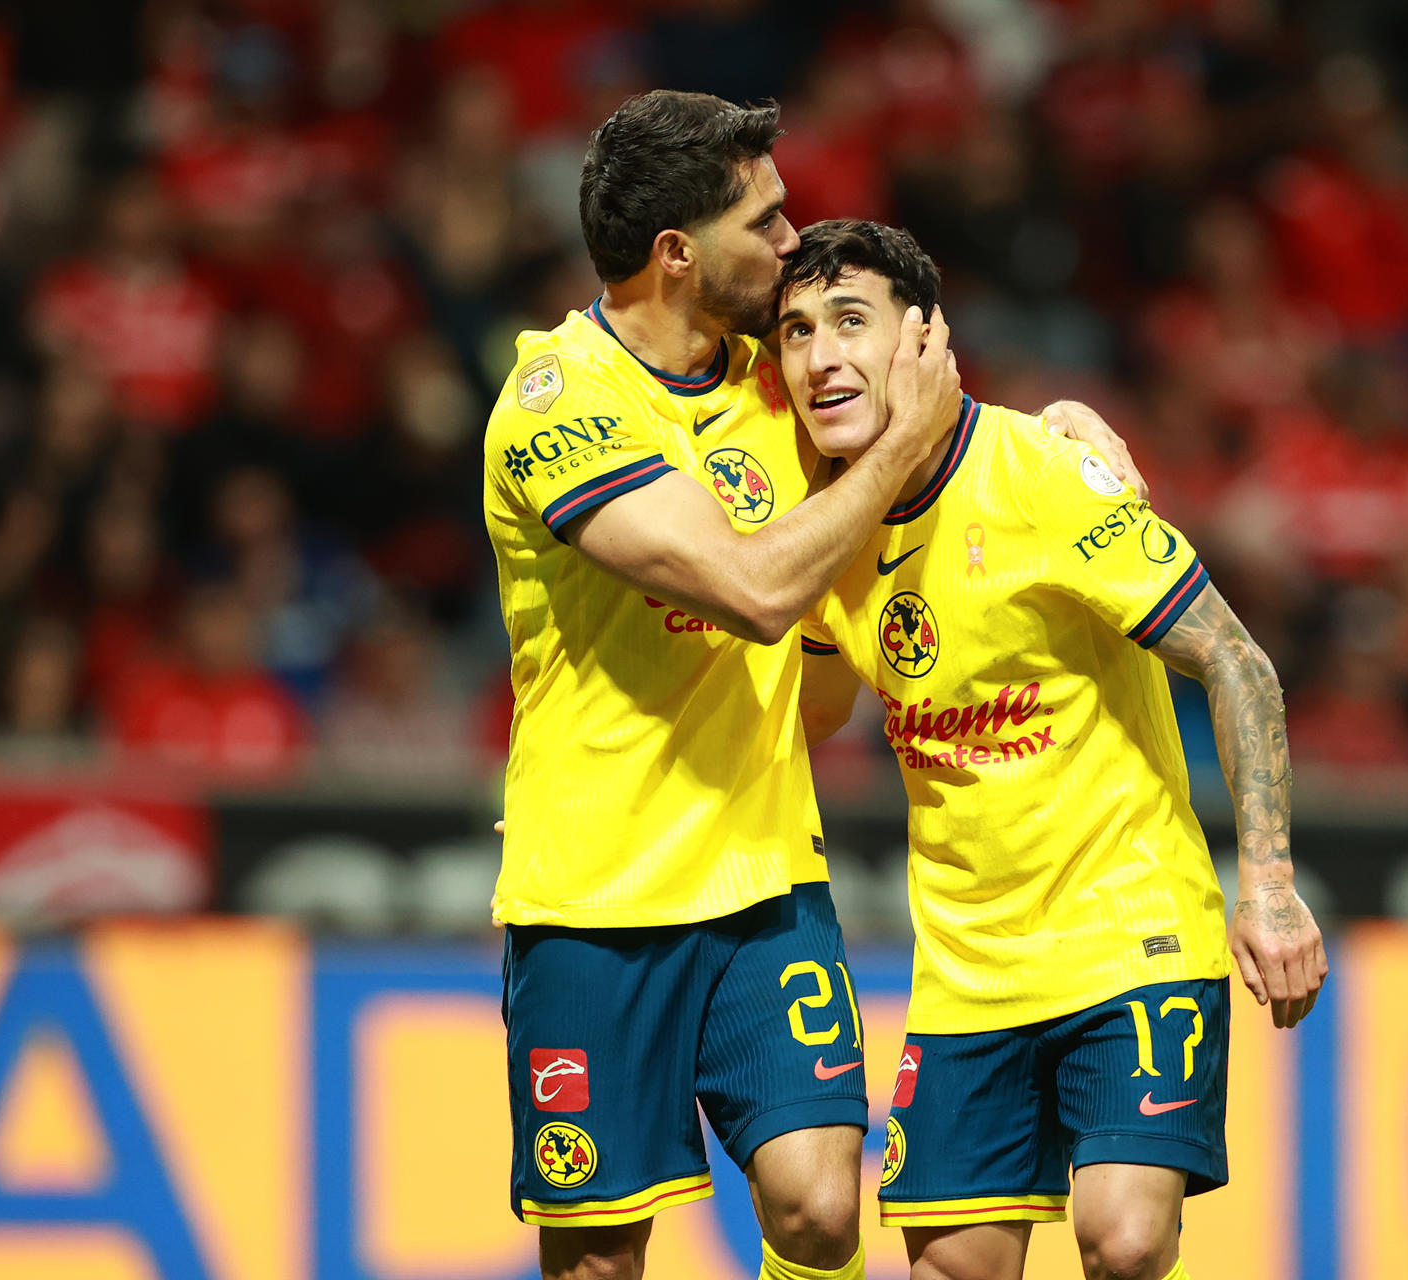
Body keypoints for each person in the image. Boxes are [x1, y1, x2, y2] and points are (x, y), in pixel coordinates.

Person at [482, 92, 1138, 1280]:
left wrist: (1058, 434)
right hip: (594, 899)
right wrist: (893, 456)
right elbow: (751, 588)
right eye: (765, 221)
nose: (792, 243)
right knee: (599, 1259)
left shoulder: (774, 382)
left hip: (765, 876)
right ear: (677, 253)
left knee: (823, 1204)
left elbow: (933, 431)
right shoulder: (557, 406)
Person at [778, 220, 1327, 1280]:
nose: (820, 356)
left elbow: (1237, 661)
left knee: (1124, 1238)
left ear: (924, 338)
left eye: (850, 320)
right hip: (965, 969)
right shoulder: (826, 529)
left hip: (1128, 934)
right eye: (797, 331)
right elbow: (812, 713)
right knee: (955, 1267)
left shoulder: (1045, 473)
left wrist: (1267, 885)